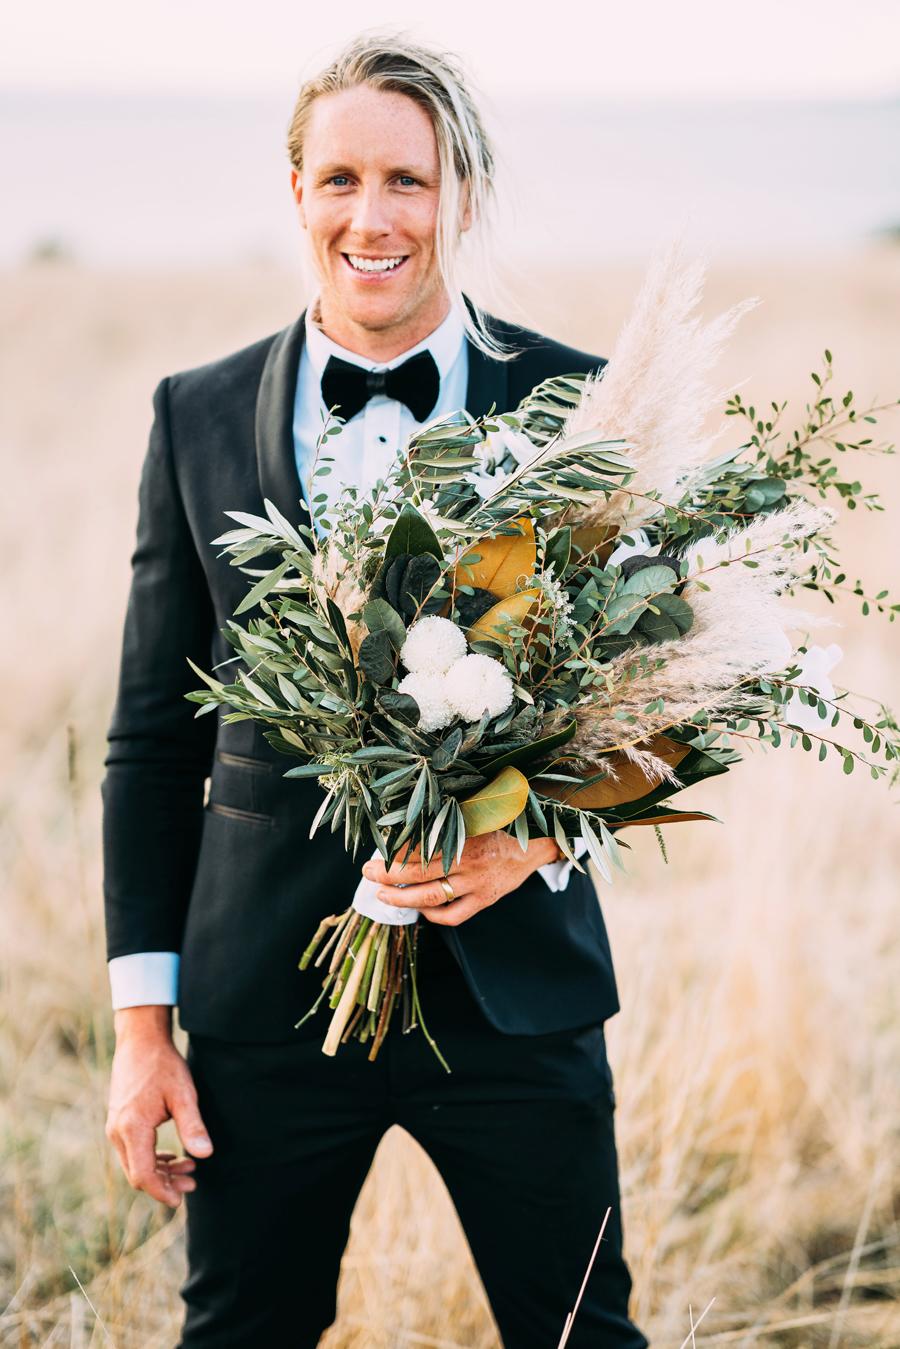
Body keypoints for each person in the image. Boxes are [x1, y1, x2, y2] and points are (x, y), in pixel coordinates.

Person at [102, 33, 650, 1349]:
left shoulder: (576, 403)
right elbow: (148, 745)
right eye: (340, 177)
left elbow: (662, 703)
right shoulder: (198, 413)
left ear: (461, 191)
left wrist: (529, 837)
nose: (373, 215)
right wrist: (141, 1029)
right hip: (263, 1003)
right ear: (295, 191)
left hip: (518, 998)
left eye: (407, 179)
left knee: (584, 1334)